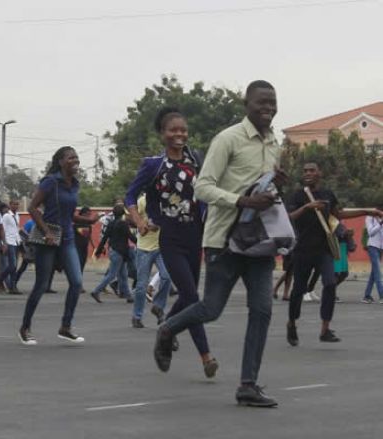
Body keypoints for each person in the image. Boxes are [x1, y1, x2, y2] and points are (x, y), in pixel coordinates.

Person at [153, 81, 283, 407]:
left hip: (259, 242)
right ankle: (167, 329)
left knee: (263, 311)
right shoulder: (227, 139)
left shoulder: (274, 143)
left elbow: (262, 191)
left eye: (273, 103)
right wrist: (243, 201)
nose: (268, 108)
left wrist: (273, 189)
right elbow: (203, 188)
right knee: (211, 308)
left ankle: (248, 385)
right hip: (223, 240)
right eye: (261, 103)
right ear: (246, 104)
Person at [126, 108, 217, 377]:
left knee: (190, 296)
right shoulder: (153, 165)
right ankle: (206, 357)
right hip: (171, 238)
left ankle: (166, 327)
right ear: (162, 134)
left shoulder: (196, 159)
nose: (179, 134)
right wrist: (140, 222)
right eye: (173, 130)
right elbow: (130, 196)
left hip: (196, 236)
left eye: (183, 130)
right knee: (191, 297)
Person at [285, 162, 383, 346]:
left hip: (324, 249)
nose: (308, 173)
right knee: (298, 290)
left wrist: (367, 211)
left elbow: (339, 214)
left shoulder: (328, 194)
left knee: (330, 283)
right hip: (303, 250)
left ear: (319, 173)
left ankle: (325, 329)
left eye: (312, 170)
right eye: (305, 170)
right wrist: (307, 207)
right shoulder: (297, 196)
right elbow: (289, 217)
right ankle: (291, 323)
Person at [18, 146, 98, 346]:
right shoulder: (51, 182)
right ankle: (25, 328)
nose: (76, 161)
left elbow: (68, 213)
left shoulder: (75, 184)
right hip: (49, 239)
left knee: (77, 282)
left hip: (67, 237)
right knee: (41, 285)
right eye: (71, 158)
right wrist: (46, 232)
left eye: (77, 157)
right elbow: (32, 208)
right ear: (61, 162)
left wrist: (86, 220)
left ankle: (65, 327)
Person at [127, 194, 172, 328]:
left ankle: (158, 307)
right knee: (141, 286)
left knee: (167, 277)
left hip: (160, 247)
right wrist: (142, 225)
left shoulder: (166, 200)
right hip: (144, 249)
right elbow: (129, 219)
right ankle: (137, 316)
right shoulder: (141, 200)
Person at [90, 205, 136, 304]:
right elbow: (130, 236)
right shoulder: (123, 224)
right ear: (123, 214)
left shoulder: (111, 224)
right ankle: (96, 291)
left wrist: (98, 251)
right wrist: (140, 243)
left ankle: (128, 296)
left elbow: (104, 238)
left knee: (123, 275)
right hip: (120, 252)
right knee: (112, 274)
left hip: (113, 250)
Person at [1, 199, 22, 294]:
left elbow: (16, 229)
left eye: (17, 204)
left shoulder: (17, 215)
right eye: (14, 204)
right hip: (9, 242)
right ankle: (0, 277)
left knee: (15, 266)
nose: (16, 206)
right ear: (10, 205)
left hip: (16, 242)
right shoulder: (6, 216)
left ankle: (13, 287)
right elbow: (3, 229)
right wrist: (3, 243)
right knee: (12, 265)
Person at [362, 214, 383, 303]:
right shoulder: (369, 218)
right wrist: (380, 223)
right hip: (372, 246)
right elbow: (371, 232)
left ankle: (367, 296)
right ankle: (382, 295)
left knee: (374, 273)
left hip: (381, 248)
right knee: (377, 272)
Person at [73, 206, 94, 275]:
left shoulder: (88, 225)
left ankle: (78, 281)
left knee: (82, 265)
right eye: (87, 214)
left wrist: (94, 246)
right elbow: (84, 233)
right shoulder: (76, 224)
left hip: (84, 247)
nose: (89, 216)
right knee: (77, 266)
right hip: (77, 247)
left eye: (89, 214)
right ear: (82, 214)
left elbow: (89, 236)